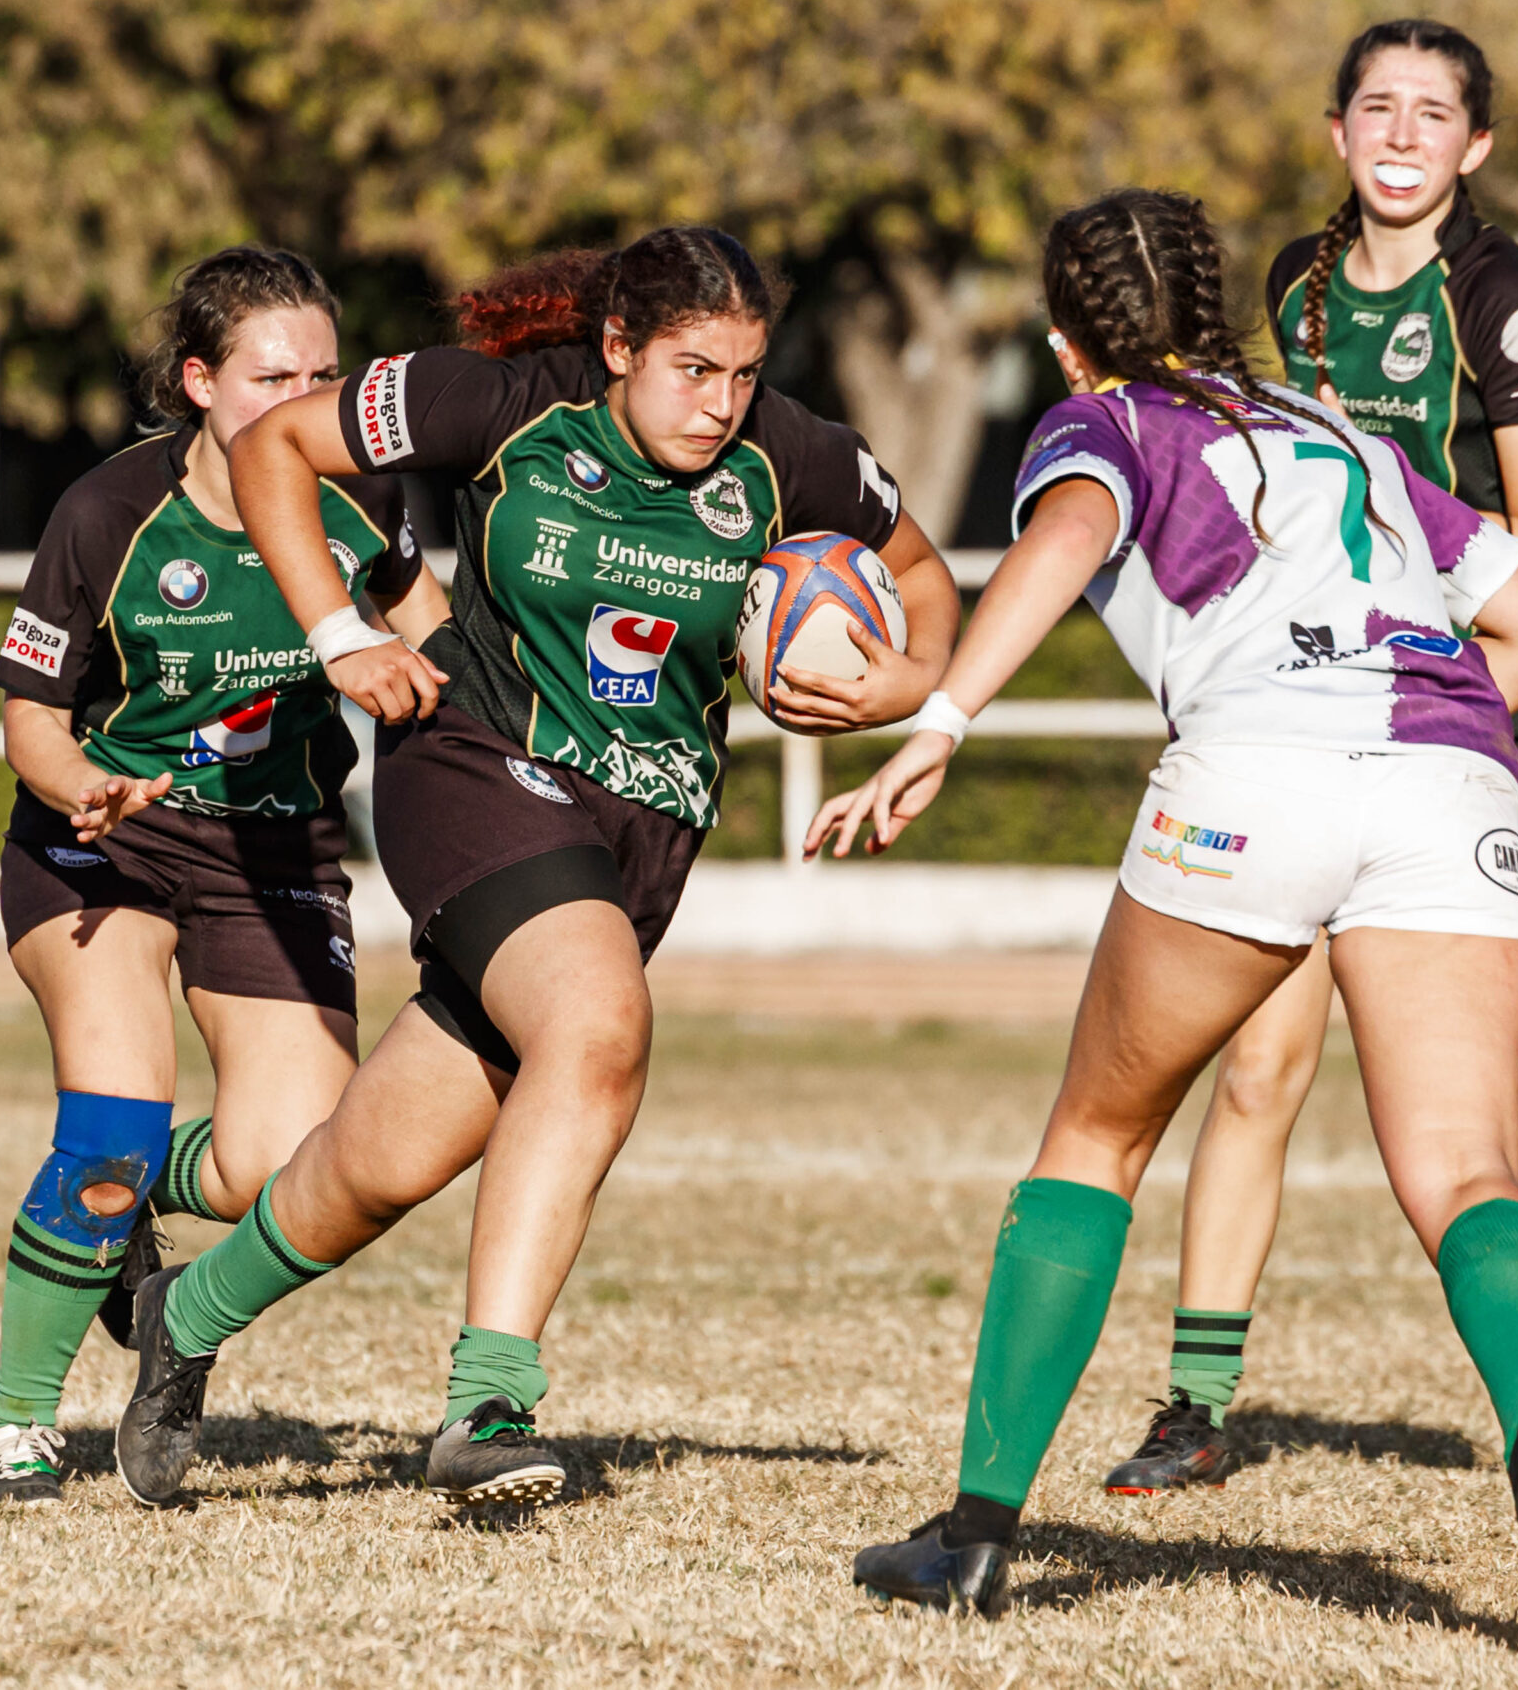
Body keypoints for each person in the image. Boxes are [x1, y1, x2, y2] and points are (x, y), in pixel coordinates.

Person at [821, 189, 1518, 1648]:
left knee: (1098, 1135)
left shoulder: (1109, 422)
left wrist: (940, 716)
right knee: (1465, 1162)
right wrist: (1406, 722)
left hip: (1254, 776)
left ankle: (977, 1534)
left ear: (1070, 342)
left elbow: (1069, 539)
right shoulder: (1353, 436)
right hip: (1451, 774)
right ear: (1224, 309)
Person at [107, 226, 959, 1508]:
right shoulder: (501, 403)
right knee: (601, 1025)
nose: (720, 404)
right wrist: (338, 634)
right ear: (617, 347)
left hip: (643, 835)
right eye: (690, 370)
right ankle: (487, 1402)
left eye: (741, 373)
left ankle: (188, 1311)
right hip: (473, 766)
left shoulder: (787, 451)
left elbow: (923, 579)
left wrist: (898, 684)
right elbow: (275, 443)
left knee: (380, 1163)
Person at [1111, 18, 1518, 1497]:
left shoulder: (1504, 295)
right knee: (1261, 1057)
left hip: (1485, 720)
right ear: (1338, 129)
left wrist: (1425, 678)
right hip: (1312, 721)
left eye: (1437, 113)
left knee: (1466, 1097)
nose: (1406, 132)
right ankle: (1198, 1396)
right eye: (1380, 106)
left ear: (1475, 147)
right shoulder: (1291, 288)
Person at [0, 245, 446, 1503]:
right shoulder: (107, 515)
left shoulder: (367, 497)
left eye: (326, 373)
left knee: (304, 1158)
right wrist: (80, 782)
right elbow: (28, 716)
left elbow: (432, 633)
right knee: (111, 1125)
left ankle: (130, 1218)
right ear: (198, 381)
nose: (304, 396)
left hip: (274, 854)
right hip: (100, 840)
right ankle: (19, 1424)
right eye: (271, 374)